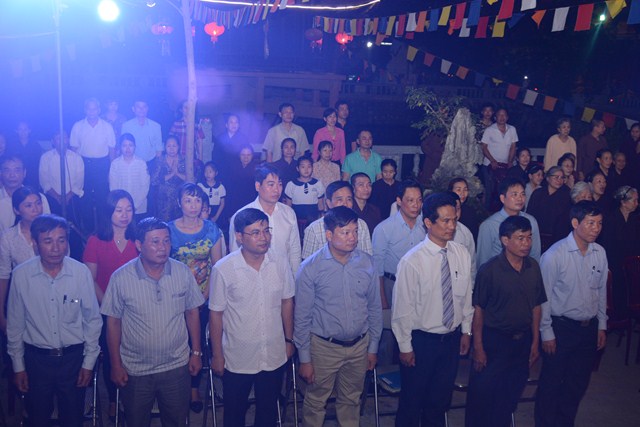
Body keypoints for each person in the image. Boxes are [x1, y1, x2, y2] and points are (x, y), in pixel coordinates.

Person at [101, 217, 204, 426]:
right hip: (136, 370)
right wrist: (116, 364)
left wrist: (196, 353)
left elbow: (192, 313)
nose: (163, 247)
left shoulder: (182, 272)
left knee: (177, 421)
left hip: (176, 366)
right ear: (139, 245)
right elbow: (113, 323)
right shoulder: (121, 278)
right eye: (155, 242)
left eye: (166, 241)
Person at [7, 214, 102, 427]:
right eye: (48, 241)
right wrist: (18, 366)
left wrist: (88, 363)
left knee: (73, 419)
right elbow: (15, 325)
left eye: (61, 240)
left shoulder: (80, 273)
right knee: (37, 418)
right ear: (35, 244)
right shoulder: (21, 275)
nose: (56, 248)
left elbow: (92, 320)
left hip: (73, 359)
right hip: (36, 361)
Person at [294, 206, 382, 427]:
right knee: (316, 402)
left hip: (359, 346)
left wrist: (372, 347)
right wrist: (305, 359)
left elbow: (374, 309)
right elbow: (302, 318)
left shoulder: (367, 263)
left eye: (355, 231)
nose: (352, 237)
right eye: (345, 232)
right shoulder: (310, 268)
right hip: (324, 348)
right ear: (329, 234)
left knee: (351, 400)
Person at [392, 192, 473, 426]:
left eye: (454, 220)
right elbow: (402, 309)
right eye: (445, 221)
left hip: (450, 341)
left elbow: (466, 296)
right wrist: (405, 347)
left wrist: (466, 330)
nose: (452, 226)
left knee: (439, 403)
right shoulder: (412, 261)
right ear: (428, 222)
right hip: (421, 342)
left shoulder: (461, 253)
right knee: (412, 403)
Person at [209, 208, 295, 426]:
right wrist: (217, 355)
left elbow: (287, 302)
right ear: (239, 236)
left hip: (273, 353)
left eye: (266, 231)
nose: (263, 237)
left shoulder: (280, 262)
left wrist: (288, 340)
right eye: (255, 232)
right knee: (234, 414)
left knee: (268, 413)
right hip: (238, 357)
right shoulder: (224, 269)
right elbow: (216, 314)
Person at [465, 216, 546, 427]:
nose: (526, 243)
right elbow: (479, 310)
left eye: (529, 238)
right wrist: (478, 347)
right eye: (520, 238)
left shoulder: (533, 267)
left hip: (522, 341)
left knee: (509, 395)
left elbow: (537, 306)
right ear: (505, 240)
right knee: (482, 396)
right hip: (495, 341)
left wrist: (535, 341)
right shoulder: (489, 270)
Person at [535, 201, 608, 427]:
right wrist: (546, 332)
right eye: (591, 223)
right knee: (552, 383)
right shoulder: (554, 255)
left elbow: (601, 291)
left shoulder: (600, 252)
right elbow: (543, 297)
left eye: (599, 223)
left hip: (588, 329)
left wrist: (601, 325)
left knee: (577, 384)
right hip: (561, 328)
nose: (596, 228)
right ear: (575, 223)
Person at [82, 190, 138, 420]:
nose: (125, 215)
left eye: (129, 210)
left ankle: (133, 397)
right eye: (119, 210)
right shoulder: (95, 241)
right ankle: (114, 399)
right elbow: (90, 278)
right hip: (106, 308)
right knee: (112, 354)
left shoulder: (139, 239)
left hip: (136, 309)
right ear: (109, 212)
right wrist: (110, 306)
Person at [168, 183, 223, 412]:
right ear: (179, 203)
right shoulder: (168, 230)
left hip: (205, 295)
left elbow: (217, 266)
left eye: (197, 200)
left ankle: (194, 388)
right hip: (175, 296)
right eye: (188, 200)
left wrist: (204, 296)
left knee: (197, 341)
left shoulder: (211, 230)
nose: (193, 205)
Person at [229, 164, 301, 275]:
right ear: (258, 186)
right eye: (271, 184)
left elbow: (294, 251)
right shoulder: (242, 215)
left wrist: (295, 278)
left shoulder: (288, 213)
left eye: (280, 184)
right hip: (252, 277)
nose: (276, 189)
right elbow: (235, 253)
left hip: (283, 276)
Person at [0, 187, 43, 334]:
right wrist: (1, 314)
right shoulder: (8, 237)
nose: (35, 209)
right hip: (22, 300)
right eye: (28, 205)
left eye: (38, 203)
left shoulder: (53, 232)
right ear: (17, 210)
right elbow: (3, 275)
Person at [69, 98, 116, 232]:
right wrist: (74, 170)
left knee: (103, 198)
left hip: (102, 165)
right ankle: (87, 232)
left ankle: (103, 230)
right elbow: (73, 150)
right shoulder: (78, 126)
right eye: (89, 109)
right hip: (84, 164)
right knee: (84, 197)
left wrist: (111, 170)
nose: (92, 111)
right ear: (85, 110)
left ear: (99, 110)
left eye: (94, 109)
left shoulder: (107, 126)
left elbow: (112, 150)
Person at [476, 178, 541, 267]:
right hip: (498, 273)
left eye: (523, 194)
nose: (520, 198)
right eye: (515, 194)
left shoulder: (531, 221)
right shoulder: (489, 225)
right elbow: (483, 261)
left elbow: (535, 254)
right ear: (503, 198)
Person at [302, 180, 372, 260]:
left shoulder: (361, 225)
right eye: (339, 200)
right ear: (329, 203)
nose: (345, 204)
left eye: (349, 199)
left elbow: (368, 258)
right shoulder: (314, 229)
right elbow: (308, 262)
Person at [599, 186, 640, 316]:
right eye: (634, 200)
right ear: (623, 202)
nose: (637, 203)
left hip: (631, 262)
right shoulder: (611, 218)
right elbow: (608, 244)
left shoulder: (635, 219)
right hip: (614, 261)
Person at [39, 132, 84, 225]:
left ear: (68, 140)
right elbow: (44, 181)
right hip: (52, 198)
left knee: (73, 224)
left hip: (72, 198)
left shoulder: (77, 158)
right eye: (58, 138)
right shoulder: (46, 157)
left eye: (64, 138)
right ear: (53, 141)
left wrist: (68, 197)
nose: (62, 141)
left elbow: (79, 182)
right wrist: (57, 197)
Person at [480, 107, 518, 210]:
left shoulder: (512, 129)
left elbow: (513, 146)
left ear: (507, 117)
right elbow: (484, 147)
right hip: (490, 165)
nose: (502, 117)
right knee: (489, 190)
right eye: (499, 115)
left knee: (504, 190)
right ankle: (486, 213)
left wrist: (510, 161)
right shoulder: (490, 130)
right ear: (495, 117)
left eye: (504, 115)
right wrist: (492, 161)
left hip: (506, 166)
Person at [526, 166, 572, 251]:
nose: (559, 180)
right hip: (537, 236)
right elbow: (530, 214)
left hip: (557, 238)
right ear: (548, 178)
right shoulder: (537, 193)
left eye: (562, 178)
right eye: (556, 177)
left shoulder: (566, 196)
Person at [0, 155, 51, 230]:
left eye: (17, 170)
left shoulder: (38, 198)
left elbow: (47, 225)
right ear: (1, 173)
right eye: (7, 170)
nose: (12, 175)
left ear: (24, 173)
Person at [108, 133, 150, 218]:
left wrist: (134, 206)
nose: (127, 149)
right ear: (120, 147)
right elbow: (113, 187)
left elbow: (145, 186)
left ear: (135, 147)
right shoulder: (115, 164)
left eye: (130, 145)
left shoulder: (141, 163)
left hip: (139, 207)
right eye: (124, 145)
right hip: (121, 207)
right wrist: (122, 206)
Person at [149, 136, 187, 221]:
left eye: (174, 146)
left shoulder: (184, 160)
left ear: (178, 147)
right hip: (163, 202)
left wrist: (177, 173)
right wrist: (172, 174)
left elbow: (192, 179)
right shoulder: (160, 160)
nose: (171, 149)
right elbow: (153, 181)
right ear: (165, 147)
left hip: (180, 200)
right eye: (169, 146)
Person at [284, 155, 325, 227]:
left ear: (312, 168)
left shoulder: (318, 184)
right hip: (296, 221)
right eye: (303, 167)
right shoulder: (291, 184)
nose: (306, 169)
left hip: (313, 220)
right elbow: (288, 206)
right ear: (297, 168)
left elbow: (321, 206)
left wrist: (321, 220)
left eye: (309, 167)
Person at [224, 145, 258, 223]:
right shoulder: (232, 170)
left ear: (252, 156)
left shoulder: (257, 171)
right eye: (243, 155)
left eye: (248, 155)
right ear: (239, 155)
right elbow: (230, 192)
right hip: (234, 206)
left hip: (250, 207)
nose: (246, 157)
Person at [9, 121, 42, 189]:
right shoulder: (12, 145)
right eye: (20, 129)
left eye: (25, 129)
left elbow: (39, 164)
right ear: (16, 131)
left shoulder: (36, 145)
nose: (23, 132)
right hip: (16, 177)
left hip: (32, 178)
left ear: (29, 131)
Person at [350, 172, 382, 237]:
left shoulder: (375, 210)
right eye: (361, 185)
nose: (366, 189)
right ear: (353, 188)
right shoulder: (349, 208)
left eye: (369, 185)